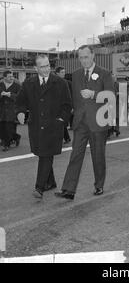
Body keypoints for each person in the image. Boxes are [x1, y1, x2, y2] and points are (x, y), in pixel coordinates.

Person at [55, 45, 115, 200]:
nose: (83, 60)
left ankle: (99, 185)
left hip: (98, 122)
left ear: (93, 56)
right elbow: (74, 98)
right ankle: (68, 189)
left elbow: (110, 96)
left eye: (86, 57)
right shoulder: (75, 75)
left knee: (98, 156)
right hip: (80, 122)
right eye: (81, 57)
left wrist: (94, 94)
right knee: (75, 155)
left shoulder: (105, 73)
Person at [16, 55, 72, 199]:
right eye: (42, 67)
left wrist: (61, 120)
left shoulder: (61, 83)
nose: (46, 69)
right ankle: (50, 182)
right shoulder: (28, 83)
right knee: (43, 154)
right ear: (35, 68)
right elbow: (21, 101)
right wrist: (21, 112)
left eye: (48, 65)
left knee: (46, 155)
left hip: (53, 126)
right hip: (36, 126)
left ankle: (39, 187)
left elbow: (67, 106)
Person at [0, 70, 21, 151]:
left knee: (8, 128)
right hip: (1, 110)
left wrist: (10, 95)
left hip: (12, 110)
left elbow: (20, 97)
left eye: (12, 76)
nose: (12, 78)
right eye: (9, 76)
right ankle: (16, 137)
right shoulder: (0, 85)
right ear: (4, 77)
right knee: (2, 128)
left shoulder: (17, 86)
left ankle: (7, 144)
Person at [55, 66, 72, 144]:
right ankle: (66, 138)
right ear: (57, 73)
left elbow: (72, 95)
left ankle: (62, 138)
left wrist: (72, 106)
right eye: (62, 72)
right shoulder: (53, 82)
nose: (64, 74)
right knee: (60, 123)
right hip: (56, 106)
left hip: (65, 106)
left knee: (62, 122)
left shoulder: (67, 83)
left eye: (64, 72)